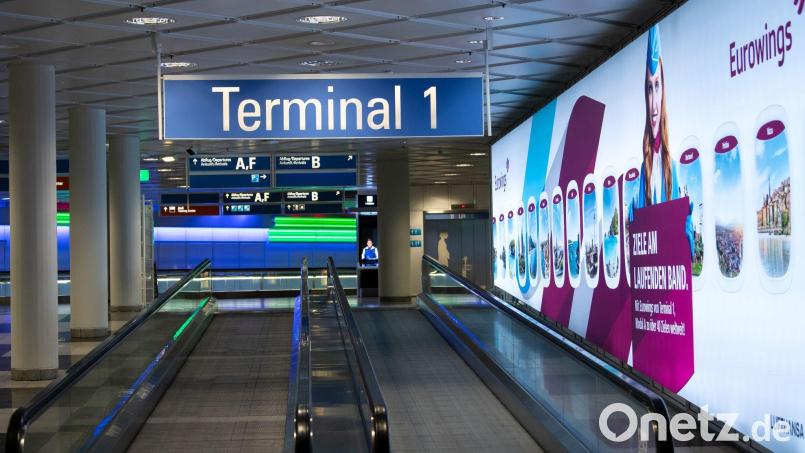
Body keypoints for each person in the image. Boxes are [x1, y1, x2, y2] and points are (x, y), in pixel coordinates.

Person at [632, 25, 694, 258]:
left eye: (657, 85)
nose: (654, 102)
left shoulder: (672, 167)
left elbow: (681, 246)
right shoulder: (644, 170)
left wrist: (686, 231)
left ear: (663, 90)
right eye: (649, 88)